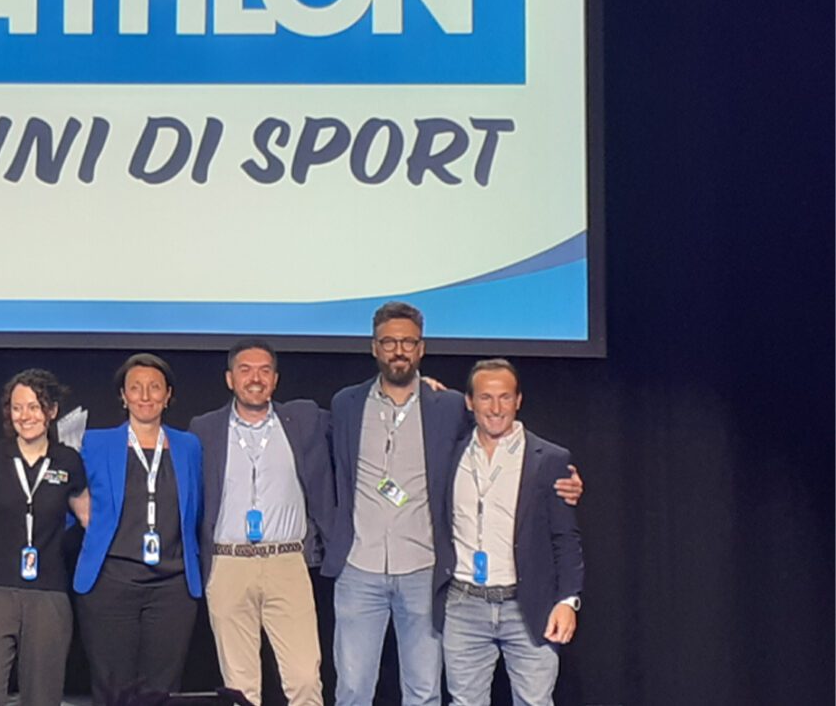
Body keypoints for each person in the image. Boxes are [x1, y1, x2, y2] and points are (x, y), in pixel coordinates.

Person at [322, 302, 583, 706]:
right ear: (374, 347)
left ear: (421, 348)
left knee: (424, 691)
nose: (399, 350)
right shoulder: (346, 403)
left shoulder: (447, 405)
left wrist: (565, 481)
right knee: (353, 689)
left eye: (408, 342)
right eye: (389, 342)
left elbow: (505, 434)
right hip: (360, 567)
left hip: (424, 571)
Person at [190, 340, 332, 706]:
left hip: (287, 562)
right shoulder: (204, 428)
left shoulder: (303, 419)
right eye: (246, 370)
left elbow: (355, 416)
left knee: (304, 678)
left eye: (264, 370)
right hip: (228, 564)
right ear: (229, 379)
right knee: (240, 687)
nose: (255, 378)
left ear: (276, 379)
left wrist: (420, 390)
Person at [439, 359, 583, 706]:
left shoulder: (549, 458)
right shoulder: (448, 453)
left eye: (505, 397)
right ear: (469, 402)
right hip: (464, 604)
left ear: (518, 400)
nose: (496, 408)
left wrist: (568, 601)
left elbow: (566, 538)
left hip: (528, 605)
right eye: (486, 397)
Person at [73, 353, 204, 704]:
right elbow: (67, 488)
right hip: (111, 582)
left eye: (154, 387)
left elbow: (200, 507)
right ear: (123, 395)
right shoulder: (95, 443)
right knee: (112, 689)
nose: (145, 396)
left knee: (161, 690)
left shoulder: (189, 446)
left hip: (173, 587)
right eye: (135, 388)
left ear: (168, 395)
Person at [0, 369, 90, 706]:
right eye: (17, 408)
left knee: (42, 697)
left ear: (52, 411)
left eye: (34, 407)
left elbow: (89, 520)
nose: (25, 416)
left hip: (48, 592)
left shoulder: (68, 461)